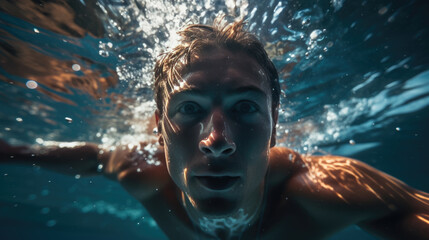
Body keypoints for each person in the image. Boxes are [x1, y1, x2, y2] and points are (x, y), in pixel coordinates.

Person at [1, 17, 429, 240]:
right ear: (158, 128)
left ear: (275, 125)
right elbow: (93, 157)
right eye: (189, 108)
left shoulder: (322, 192)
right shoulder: (140, 171)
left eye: (245, 107)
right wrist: (11, 151)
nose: (217, 140)